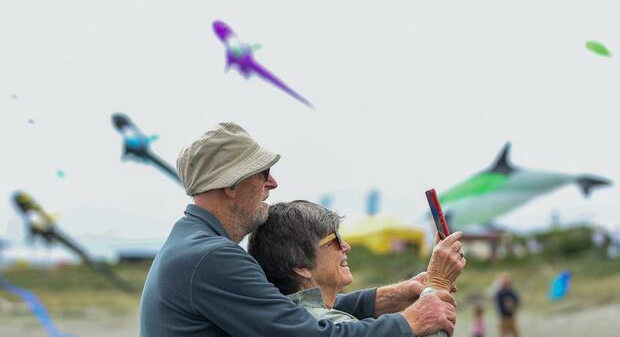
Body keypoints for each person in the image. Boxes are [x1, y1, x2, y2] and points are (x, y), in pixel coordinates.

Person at [140, 122, 465, 336]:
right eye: (262, 172)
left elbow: (290, 313)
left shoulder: (194, 247)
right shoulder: (211, 257)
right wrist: (413, 320)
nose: (272, 183)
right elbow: (304, 332)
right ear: (230, 183)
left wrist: (395, 295)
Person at [248, 200, 465, 337]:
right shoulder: (326, 324)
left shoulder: (286, 317)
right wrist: (438, 283)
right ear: (302, 266)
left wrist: (411, 292)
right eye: (334, 239)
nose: (346, 246)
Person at [494, 272, 520, 337]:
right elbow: (499, 305)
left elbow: (517, 301)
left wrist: (513, 306)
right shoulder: (499, 293)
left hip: (511, 317)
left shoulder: (511, 291)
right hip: (503, 318)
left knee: (516, 334)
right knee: (503, 334)